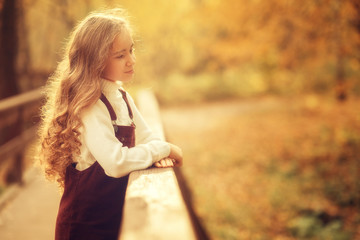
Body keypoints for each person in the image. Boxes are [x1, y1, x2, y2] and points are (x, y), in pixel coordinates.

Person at [37, 8, 183, 240]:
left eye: (131, 50)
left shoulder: (122, 97)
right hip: (84, 227)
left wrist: (156, 153)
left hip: (113, 219)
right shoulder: (90, 106)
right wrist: (164, 150)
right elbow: (115, 163)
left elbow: (149, 138)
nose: (131, 60)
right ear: (95, 61)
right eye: (120, 55)